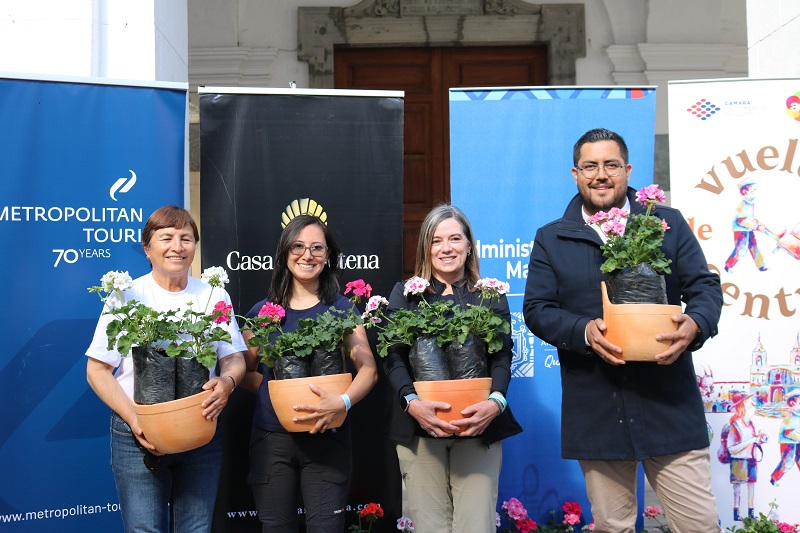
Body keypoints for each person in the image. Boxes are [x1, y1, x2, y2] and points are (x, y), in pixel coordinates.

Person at [522, 128, 724, 533]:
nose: (601, 175)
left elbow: (704, 287)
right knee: (613, 527)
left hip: (669, 404)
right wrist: (583, 330)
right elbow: (537, 309)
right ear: (575, 174)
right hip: (597, 408)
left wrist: (696, 323)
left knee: (699, 526)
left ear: (628, 171)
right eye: (590, 166)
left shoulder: (666, 223)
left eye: (611, 165)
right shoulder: (552, 238)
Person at [86, 205, 247, 533]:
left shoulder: (213, 295)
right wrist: (135, 420)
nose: (178, 246)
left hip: (200, 429)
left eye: (186, 238)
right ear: (147, 248)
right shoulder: (127, 295)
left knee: (196, 528)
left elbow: (233, 358)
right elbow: (97, 370)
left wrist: (228, 382)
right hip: (138, 435)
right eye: (167, 237)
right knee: (144, 529)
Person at [383, 204, 522, 533]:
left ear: (469, 245)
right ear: (426, 248)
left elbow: (502, 356)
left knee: (476, 525)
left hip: (478, 427)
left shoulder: (489, 295)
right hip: (420, 427)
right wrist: (411, 402)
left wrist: (496, 402)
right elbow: (393, 357)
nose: (446, 248)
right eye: (436, 240)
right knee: (430, 527)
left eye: (455, 239)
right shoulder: (406, 295)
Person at [242, 214, 378, 532]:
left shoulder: (343, 310)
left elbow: (368, 370)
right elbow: (243, 372)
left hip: (327, 437)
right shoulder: (263, 313)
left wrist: (342, 402)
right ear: (285, 252)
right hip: (272, 440)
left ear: (328, 255)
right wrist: (277, 394)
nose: (307, 255)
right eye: (298, 246)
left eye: (317, 247)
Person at [724, 393, 767, 522]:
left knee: (751, 486)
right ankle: (736, 513)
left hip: (750, 458)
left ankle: (751, 512)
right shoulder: (735, 426)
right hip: (739, 460)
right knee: (737, 487)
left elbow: (752, 441)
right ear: (743, 405)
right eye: (749, 401)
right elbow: (731, 449)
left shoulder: (750, 424)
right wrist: (751, 440)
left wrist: (760, 440)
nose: (753, 403)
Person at [724, 177, 767, 273]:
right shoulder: (743, 205)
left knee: (754, 246)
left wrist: (755, 222)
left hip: (748, 229)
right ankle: (728, 266)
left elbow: (747, 218)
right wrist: (757, 227)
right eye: (752, 187)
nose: (755, 188)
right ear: (744, 191)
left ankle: (761, 266)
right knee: (741, 250)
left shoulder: (750, 203)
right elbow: (741, 221)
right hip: (740, 230)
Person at [770, 390, 800, 486]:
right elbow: (789, 433)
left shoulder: (798, 416)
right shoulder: (790, 418)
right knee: (787, 463)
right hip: (788, 443)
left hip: (798, 441)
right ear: (792, 404)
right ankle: (774, 478)